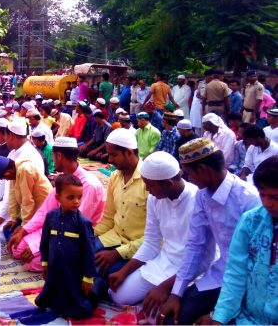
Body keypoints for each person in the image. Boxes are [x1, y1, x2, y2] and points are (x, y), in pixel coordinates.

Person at [158, 138, 260, 325]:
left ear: (203, 170)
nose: (188, 179)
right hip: (221, 275)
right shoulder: (202, 196)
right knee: (173, 318)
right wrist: (176, 293)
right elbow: (196, 245)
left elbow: (257, 263)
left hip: (251, 284)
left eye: (188, 173)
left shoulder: (249, 200)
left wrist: (217, 314)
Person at [108, 152, 198, 320]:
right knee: (117, 296)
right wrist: (124, 271)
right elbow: (151, 242)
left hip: (192, 271)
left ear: (169, 184)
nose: (147, 189)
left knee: (157, 318)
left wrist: (164, 288)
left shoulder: (198, 201)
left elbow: (202, 258)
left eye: (149, 185)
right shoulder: (155, 199)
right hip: (164, 261)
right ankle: (152, 298)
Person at [7, 137, 105, 272]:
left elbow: (74, 225)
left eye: (53, 157)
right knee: (17, 248)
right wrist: (24, 230)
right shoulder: (63, 179)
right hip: (56, 227)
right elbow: (44, 211)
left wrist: (36, 246)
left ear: (59, 155)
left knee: (33, 262)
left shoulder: (89, 185)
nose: (53, 160)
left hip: (74, 236)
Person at [208, 156, 278, 325]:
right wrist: (219, 317)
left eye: (275, 197)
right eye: (262, 195)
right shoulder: (250, 221)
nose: (267, 203)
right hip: (247, 318)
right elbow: (235, 273)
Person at [93, 129, 148, 297]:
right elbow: (109, 218)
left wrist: (117, 253)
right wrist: (88, 235)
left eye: (113, 155)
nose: (109, 160)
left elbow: (156, 239)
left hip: (139, 247)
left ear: (129, 152)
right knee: (79, 252)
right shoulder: (115, 177)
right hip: (114, 236)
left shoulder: (150, 180)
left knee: (102, 269)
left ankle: (90, 294)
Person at [35, 174, 98, 320]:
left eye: (79, 197)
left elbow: (89, 252)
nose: (76, 201)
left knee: (75, 297)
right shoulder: (51, 217)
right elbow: (44, 242)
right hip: (54, 266)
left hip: (73, 269)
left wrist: (88, 277)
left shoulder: (83, 223)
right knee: (52, 288)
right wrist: (45, 263)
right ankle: (53, 302)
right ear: (58, 198)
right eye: (70, 197)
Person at [0, 155, 52, 238]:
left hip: (45, 212)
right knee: (8, 230)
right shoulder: (14, 171)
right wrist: (14, 219)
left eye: (4, 178)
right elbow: (13, 196)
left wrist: (24, 227)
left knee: (16, 240)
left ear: (7, 173)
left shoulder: (24, 170)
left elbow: (27, 200)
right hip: (33, 212)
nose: (6, 180)